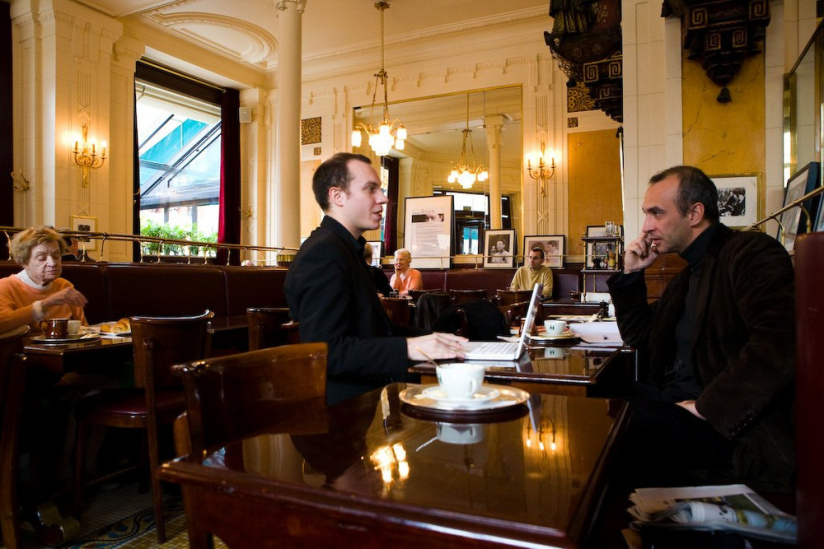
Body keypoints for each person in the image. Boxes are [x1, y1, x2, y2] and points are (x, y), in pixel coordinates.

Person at [606, 165, 795, 492]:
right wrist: (631, 274)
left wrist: (709, 406)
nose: (647, 227)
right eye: (646, 214)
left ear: (694, 213)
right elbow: (641, 337)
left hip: (730, 427)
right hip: (679, 402)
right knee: (600, 397)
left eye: (656, 213)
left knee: (629, 424)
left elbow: (780, 339)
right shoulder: (687, 276)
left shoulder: (749, 252)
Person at [284, 153, 466, 403]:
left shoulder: (344, 249)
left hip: (368, 402)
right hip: (342, 414)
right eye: (371, 189)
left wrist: (436, 339)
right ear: (337, 196)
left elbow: (372, 332)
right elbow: (327, 352)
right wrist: (412, 347)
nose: (384, 198)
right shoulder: (323, 253)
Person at [0, 226, 88, 333]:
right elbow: (2, 324)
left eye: (56, 256)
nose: (53, 263)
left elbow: (84, 331)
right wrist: (47, 303)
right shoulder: (6, 286)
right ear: (25, 262)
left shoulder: (64, 286)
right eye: (42, 258)